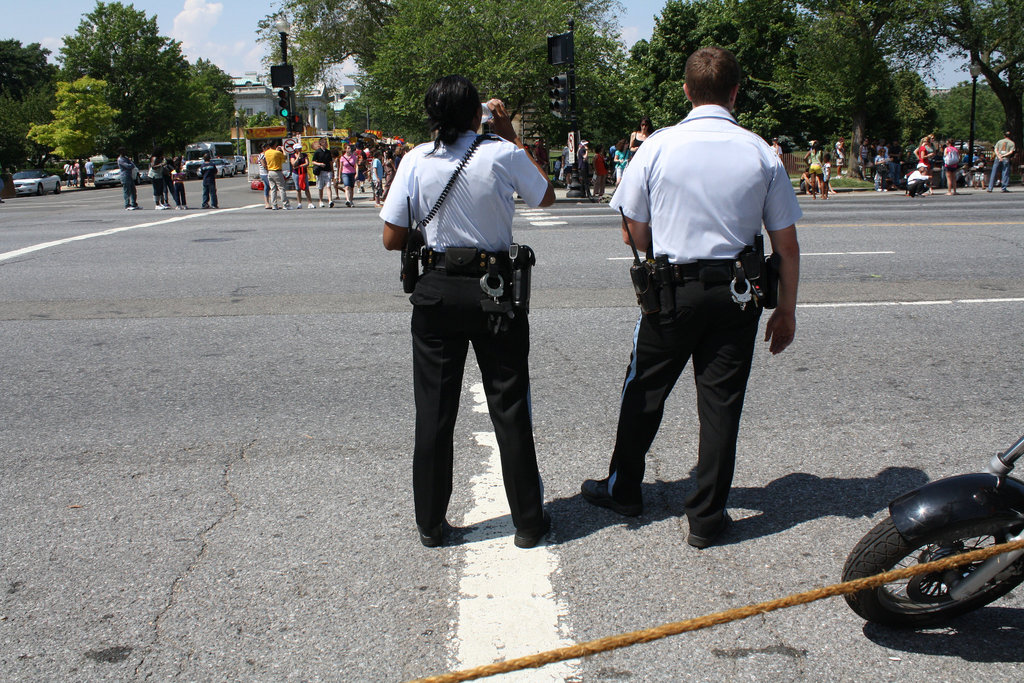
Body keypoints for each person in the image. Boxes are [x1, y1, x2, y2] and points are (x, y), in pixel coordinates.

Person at [580, 45, 801, 549]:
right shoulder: (760, 152)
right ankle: (705, 518)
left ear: (686, 90)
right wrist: (786, 309)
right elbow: (785, 245)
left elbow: (632, 233)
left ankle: (625, 490)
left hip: (672, 292)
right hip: (739, 293)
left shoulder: (656, 146)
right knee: (721, 404)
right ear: (735, 91)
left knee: (644, 391)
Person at [380, 75, 555, 549]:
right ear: (477, 112)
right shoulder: (502, 152)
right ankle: (528, 521)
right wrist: (510, 133)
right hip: (493, 289)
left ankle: (431, 524)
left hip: (436, 290)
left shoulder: (415, 159)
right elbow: (545, 196)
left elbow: (391, 238)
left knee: (434, 411)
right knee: (509, 405)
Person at [264, 140, 290, 210]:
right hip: (277, 171)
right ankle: (285, 204)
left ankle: (274, 205)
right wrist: (283, 150)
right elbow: (285, 157)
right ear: (275, 144)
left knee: (273, 189)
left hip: (270, 171)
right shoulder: (277, 153)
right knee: (281, 188)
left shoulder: (266, 152)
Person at [312, 138, 334, 207]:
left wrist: (332, 170)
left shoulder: (328, 152)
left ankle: (330, 200)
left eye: (326, 142)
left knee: (328, 186)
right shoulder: (317, 152)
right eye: (324, 142)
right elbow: (313, 161)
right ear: (321, 143)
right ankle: (320, 200)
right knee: (320, 187)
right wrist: (319, 164)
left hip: (327, 171)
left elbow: (330, 162)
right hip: (320, 171)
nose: (326, 143)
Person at [258, 142, 272, 209]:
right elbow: (264, 165)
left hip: (266, 173)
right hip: (264, 173)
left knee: (267, 188)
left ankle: (267, 203)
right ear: (263, 148)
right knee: (271, 187)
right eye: (267, 148)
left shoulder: (266, 155)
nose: (269, 149)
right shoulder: (262, 155)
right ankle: (269, 203)